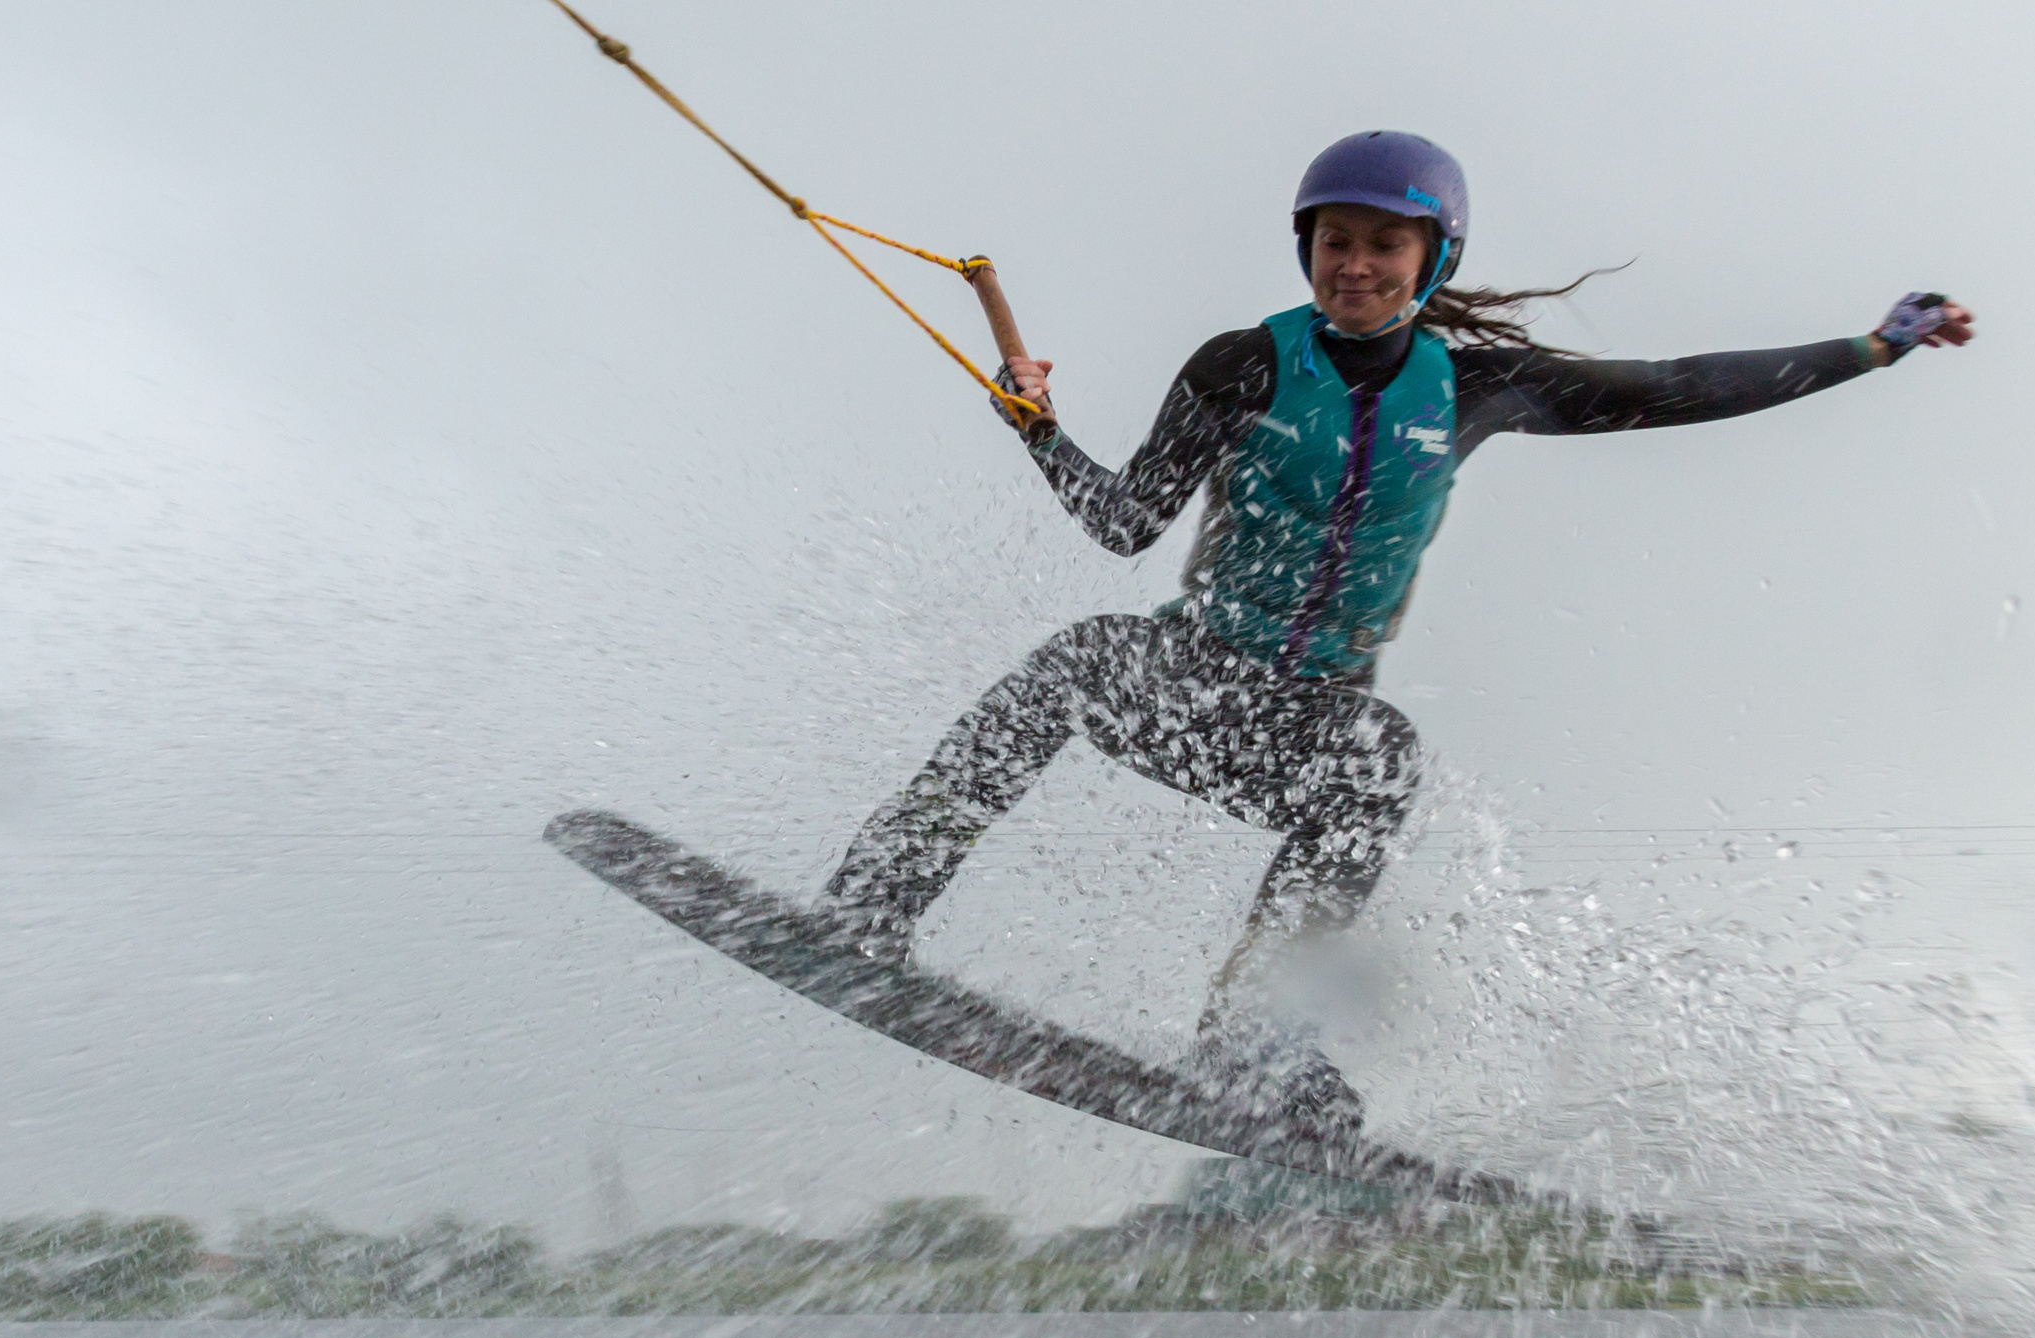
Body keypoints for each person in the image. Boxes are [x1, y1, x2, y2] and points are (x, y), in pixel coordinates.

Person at [819, 130, 1974, 1132]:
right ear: (1308, 252)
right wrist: (1038, 431)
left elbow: (1681, 382)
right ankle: (871, 905)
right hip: (1189, 678)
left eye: (1384, 245)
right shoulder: (1240, 365)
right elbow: (1124, 522)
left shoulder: (1481, 387)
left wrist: (1869, 349)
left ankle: (1247, 1047)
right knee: (1074, 661)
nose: (1356, 265)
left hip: (1304, 721)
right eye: (1336, 243)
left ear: (1433, 259)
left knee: (1379, 754)